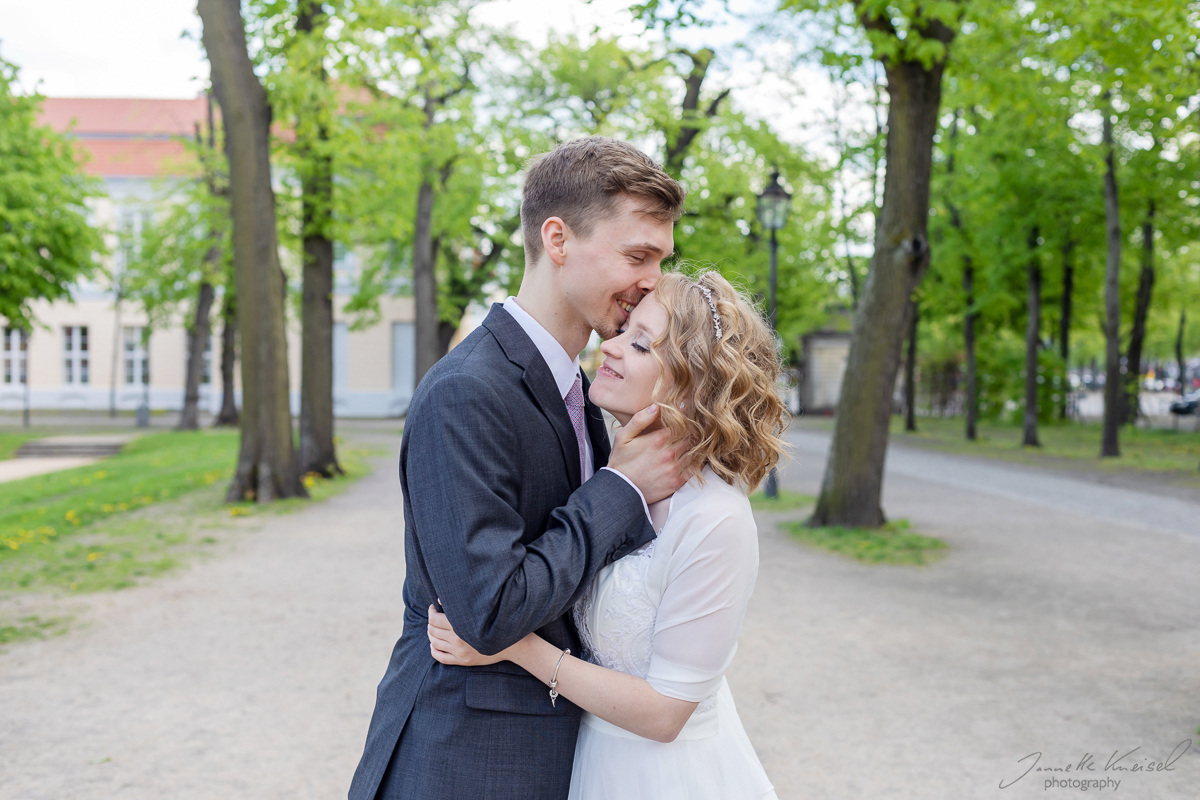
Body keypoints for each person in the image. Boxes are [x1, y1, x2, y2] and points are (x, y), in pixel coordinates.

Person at [348, 137, 689, 800]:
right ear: (557, 239)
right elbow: (489, 610)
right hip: (464, 764)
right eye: (637, 254)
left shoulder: (584, 399)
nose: (652, 280)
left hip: (557, 756)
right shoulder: (467, 392)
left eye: (660, 259)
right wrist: (618, 490)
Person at [428, 270, 787, 800]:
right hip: (589, 763)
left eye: (640, 344)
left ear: (694, 386)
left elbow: (666, 713)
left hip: (665, 777)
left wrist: (512, 647)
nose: (610, 347)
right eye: (623, 331)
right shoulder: (610, 472)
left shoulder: (716, 518)